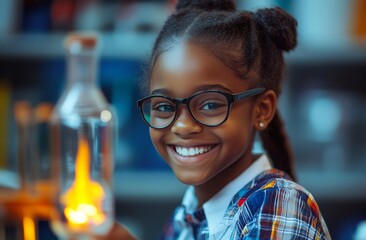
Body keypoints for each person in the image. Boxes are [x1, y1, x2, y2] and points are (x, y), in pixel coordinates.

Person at [105, 0, 331, 239]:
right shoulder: (187, 215)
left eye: (210, 104)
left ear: (261, 110)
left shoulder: (278, 205)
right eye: (163, 106)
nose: (182, 125)